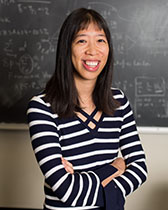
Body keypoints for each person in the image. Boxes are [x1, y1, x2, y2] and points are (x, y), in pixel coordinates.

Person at [27, 8, 147, 210]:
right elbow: (67, 192)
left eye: (100, 40)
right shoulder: (42, 107)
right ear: (67, 48)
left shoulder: (119, 101)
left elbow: (140, 169)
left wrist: (81, 182)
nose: (93, 50)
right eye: (82, 40)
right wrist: (115, 167)